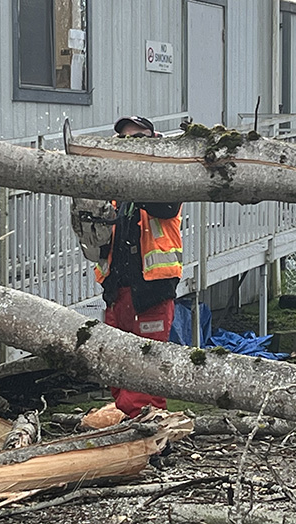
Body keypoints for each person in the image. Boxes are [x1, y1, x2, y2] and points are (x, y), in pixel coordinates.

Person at [95, 115, 183, 419]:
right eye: (126, 140)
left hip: (151, 292)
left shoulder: (166, 178)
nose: (132, 145)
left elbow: (165, 207)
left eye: (139, 138)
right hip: (117, 290)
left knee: (146, 368)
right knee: (114, 365)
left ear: (153, 140)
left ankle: (150, 432)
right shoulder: (114, 189)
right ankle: (130, 424)